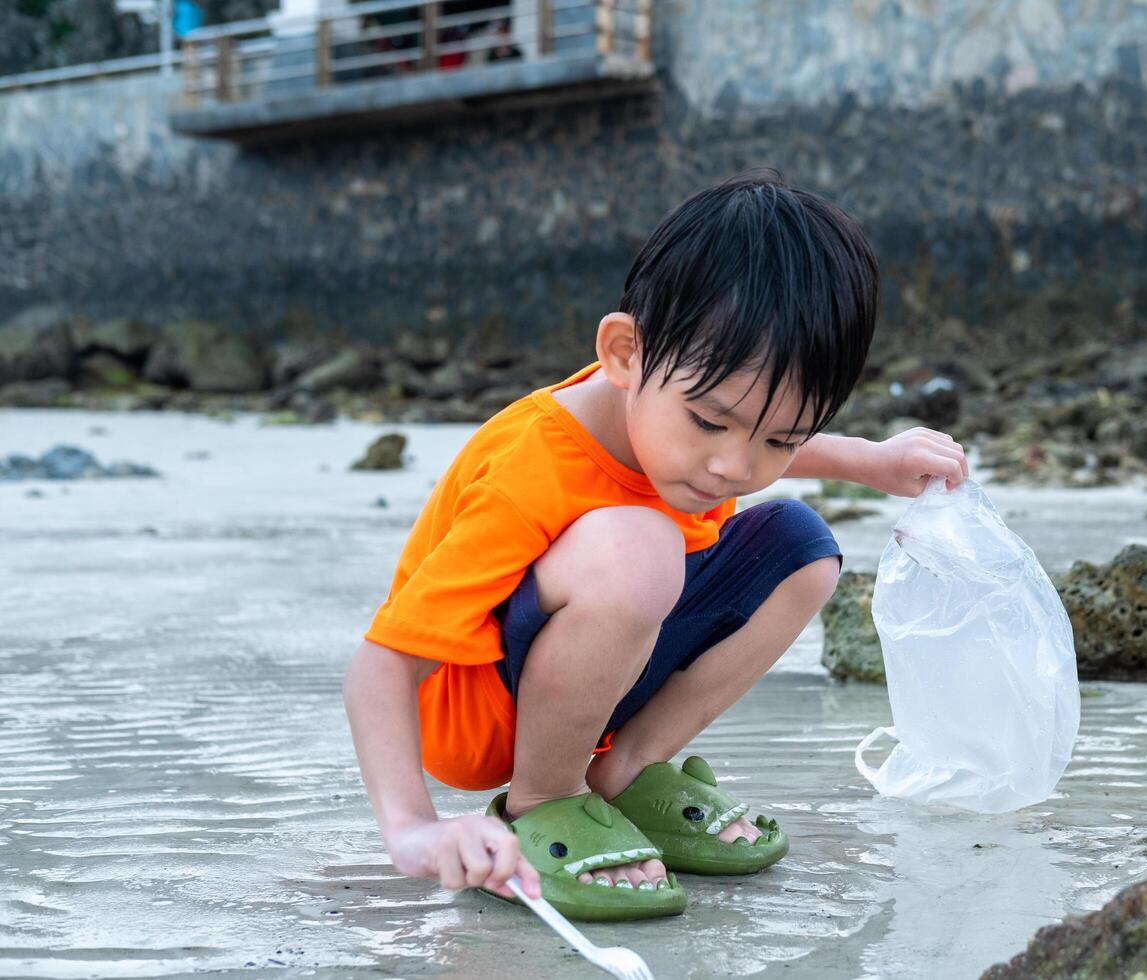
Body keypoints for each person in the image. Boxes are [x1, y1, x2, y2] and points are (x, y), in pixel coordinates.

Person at [341, 169, 970, 921]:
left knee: (803, 547)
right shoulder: (531, 467)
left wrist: (867, 459)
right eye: (710, 424)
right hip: (486, 709)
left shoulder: (688, 430)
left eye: (780, 438)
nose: (734, 467)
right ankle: (544, 796)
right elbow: (380, 665)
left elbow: (747, 432)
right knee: (640, 546)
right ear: (624, 353)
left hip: (609, 657)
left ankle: (627, 771)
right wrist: (410, 828)